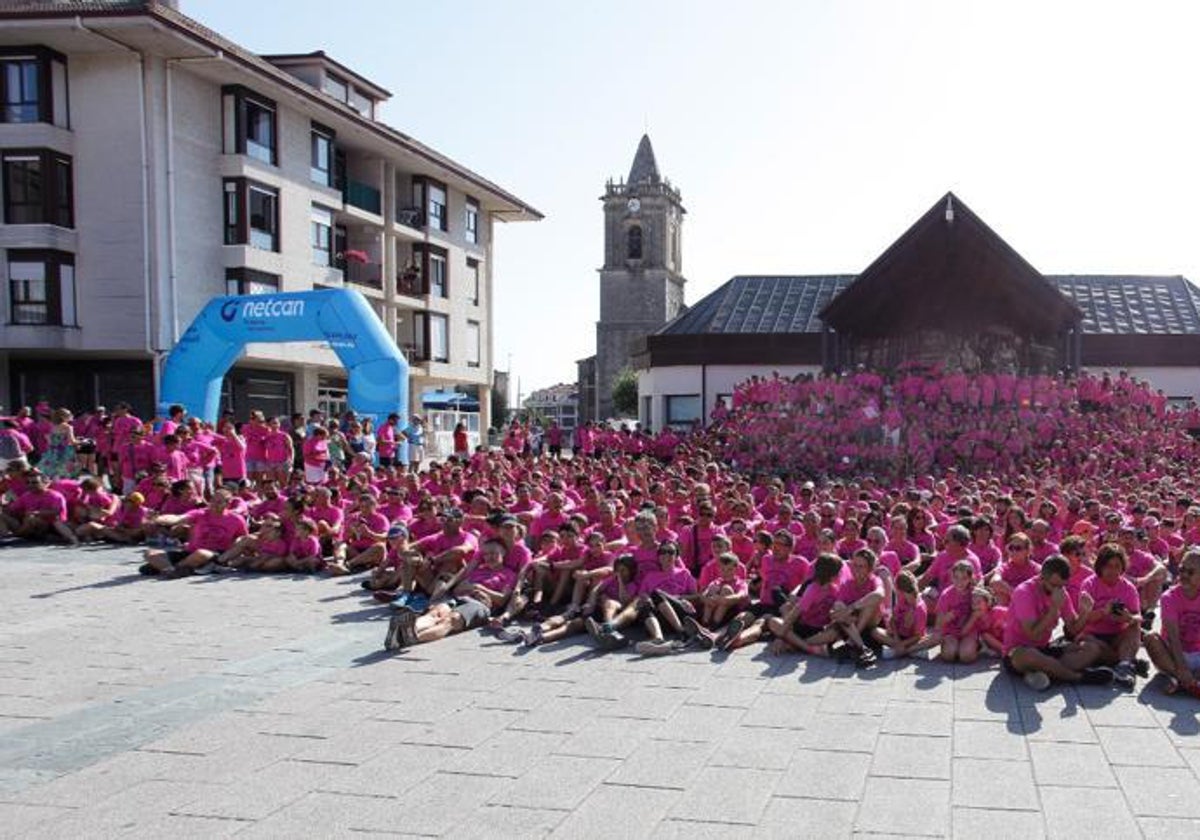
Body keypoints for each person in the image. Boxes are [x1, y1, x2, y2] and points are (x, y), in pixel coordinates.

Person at [1001, 555, 1120, 691]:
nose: (1057, 590)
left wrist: (1085, 613)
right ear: (1042, 577)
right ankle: (1078, 677)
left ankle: (1046, 672)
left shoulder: (1060, 592)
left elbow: (1073, 629)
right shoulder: (1024, 592)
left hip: (1045, 648)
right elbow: (1032, 635)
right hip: (1018, 651)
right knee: (1030, 655)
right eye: (1054, 585)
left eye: (1062, 586)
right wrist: (1053, 609)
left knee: (1091, 648)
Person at [384, 537, 515, 650]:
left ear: (503, 553)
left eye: (494, 553)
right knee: (436, 613)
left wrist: (480, 588)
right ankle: (407, 629)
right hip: (459, 598)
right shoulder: (477, 571)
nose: (489, 557)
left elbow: (503, 599)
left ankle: (410, 638)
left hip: (480, 605)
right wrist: (464, 587)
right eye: (486, 554)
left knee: (449, 620)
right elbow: (457, 589)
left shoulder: (509, 574)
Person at [1144, 549, 1200, 698]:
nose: (1184, 575)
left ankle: (1181, 682)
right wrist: (1181, 668)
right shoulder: (1169, 597)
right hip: (1173, 655)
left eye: (1191, 572)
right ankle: (1186, 681)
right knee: (1150, 638)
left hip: (1197, 654)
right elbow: (1173, 638)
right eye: (1182, 569)